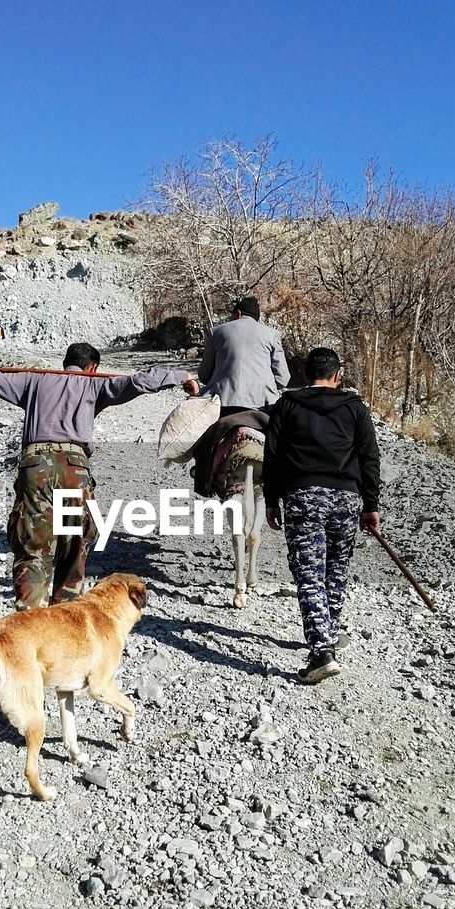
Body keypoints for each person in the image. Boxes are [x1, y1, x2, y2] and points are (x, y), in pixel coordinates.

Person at [0, 342, 198, 609]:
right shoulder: (94, 384)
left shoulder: (34, 381)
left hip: (36, 469)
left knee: (33, 545)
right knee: (73, 546)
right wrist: (181, 376)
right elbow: (139, 381)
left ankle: (29, 620)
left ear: (65, 361)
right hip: (74, 470)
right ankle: (63, 616)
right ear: (93, 367)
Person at [263, 346, 380, 685]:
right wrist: (370, 504)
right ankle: (327, 633)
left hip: (303, 496)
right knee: (336, 570)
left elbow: (272, 457)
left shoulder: (287, 405)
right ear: (337, 375)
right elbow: (369, 457)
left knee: (309, 573)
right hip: (345, 497)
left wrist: (271, 499)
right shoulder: (354, 408)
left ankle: (320, 653)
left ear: (303, 375)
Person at [198, 292, 290, 414]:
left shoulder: (217, 332)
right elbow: (283, 379)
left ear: (238, 313)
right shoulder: (272, 334)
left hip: (222, 403)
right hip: (262, 404)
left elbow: (204, 375)